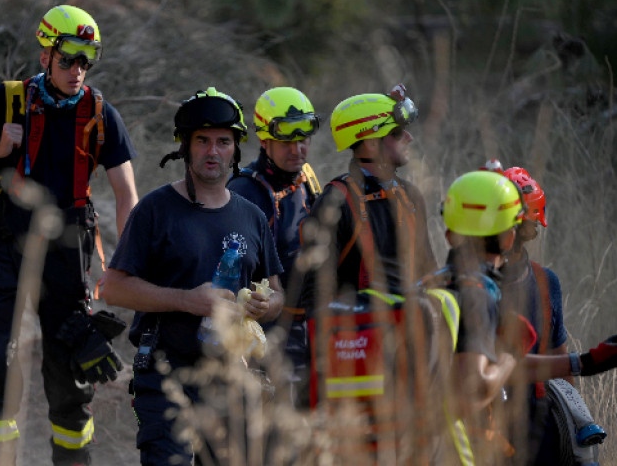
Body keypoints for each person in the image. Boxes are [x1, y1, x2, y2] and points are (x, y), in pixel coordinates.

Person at [0, 4, 138, 466]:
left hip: (67, 256)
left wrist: (127, 267)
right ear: (45, 55)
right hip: (2, 249)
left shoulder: (101, 114)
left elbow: (127, 195)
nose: (77, 70)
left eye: (88, 60)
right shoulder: (8, 99)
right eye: (69, 59)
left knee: (69, 374)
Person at [101, 87, 284, 465]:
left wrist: (266, 305)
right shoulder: (155, 210)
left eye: (223, 141)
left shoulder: (251, 216)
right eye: (202, 141)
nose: (212, 151)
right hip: (167, 376)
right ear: (184, 146)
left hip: (233, 380)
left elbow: (279, 295)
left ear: (236, 148)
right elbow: (114, 288)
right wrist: (186, 300)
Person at [426, 170, 617, 464]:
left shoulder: (544, 282)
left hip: (532, 427)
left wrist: (575, 422)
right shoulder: (472, 292)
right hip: (479, 432)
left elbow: (558, 369)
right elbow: (475, 379)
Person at [295, 84, 437, 313]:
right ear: (371, 143)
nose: (409, 138)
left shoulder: (411, 196)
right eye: (397, 133)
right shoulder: (335, 201)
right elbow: (315, 298)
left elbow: (430, 275)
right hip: (359, 341)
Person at [226, 86, 322, 396]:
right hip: (269, 334)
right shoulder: (244, 191)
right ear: (264, 139)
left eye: (303, 140)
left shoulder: (307, 177)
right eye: (287, 142)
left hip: (314, 326)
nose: (297, 150)